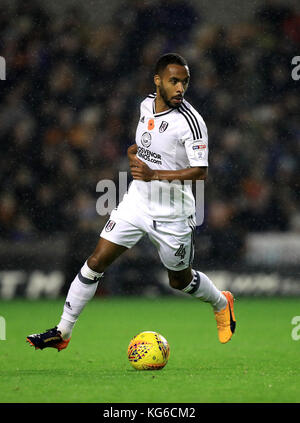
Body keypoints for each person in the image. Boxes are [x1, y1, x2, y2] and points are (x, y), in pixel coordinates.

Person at [26, 53, 236, 352]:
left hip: (173, 214)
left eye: (185, 82)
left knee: (179, 280)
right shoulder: (145, 105)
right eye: (174, 81)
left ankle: (220, 302)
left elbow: (200, 172)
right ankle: (63, 331)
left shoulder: (191, 122)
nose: (180, 89)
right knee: (95, 262)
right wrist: (135, 157)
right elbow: (146, 147)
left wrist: (155, 173)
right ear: (158, 80)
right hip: (136, 202)